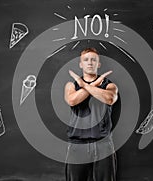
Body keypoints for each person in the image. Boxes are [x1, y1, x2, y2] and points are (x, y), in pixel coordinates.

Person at [64, 47, 118, 181]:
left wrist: (87, 85)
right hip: (77, 145)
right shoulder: (71, 85)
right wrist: (94, 85)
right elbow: (72, 100)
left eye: (93, 60)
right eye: (86, 60)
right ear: (81, 64)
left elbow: (109, 99)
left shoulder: (109, 85)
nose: (90, 62)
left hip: (103, 144)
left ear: (98, 64)